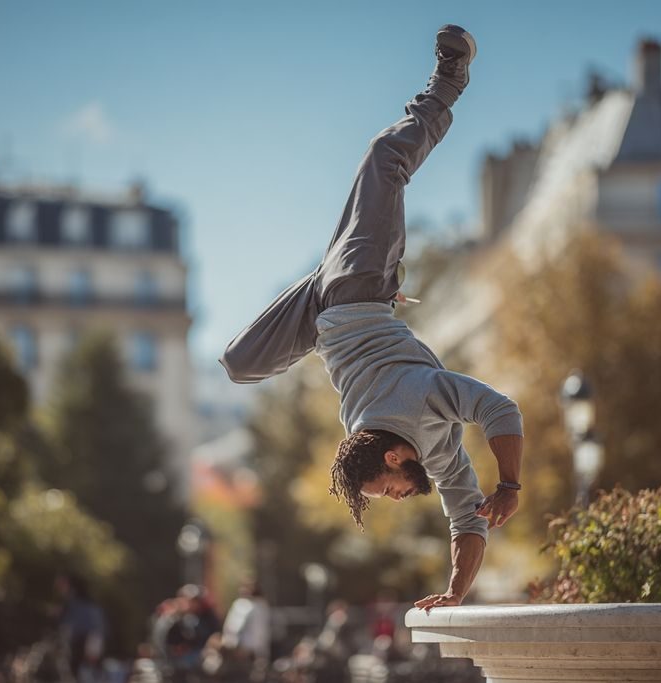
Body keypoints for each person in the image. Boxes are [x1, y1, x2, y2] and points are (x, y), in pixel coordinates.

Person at [220, 25, 524, 611]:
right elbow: (468, 516)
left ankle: (445, 84)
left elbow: (498, 412)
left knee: (238, 365)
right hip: (347, 302)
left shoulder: (420, 403)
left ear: (391, 456)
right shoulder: (435, 447)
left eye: (385, 489)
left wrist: (509, 485)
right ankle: (450, 79)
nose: (396, 497)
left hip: (337, 294)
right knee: (383, 162)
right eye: (390, 493)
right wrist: (456, 594)